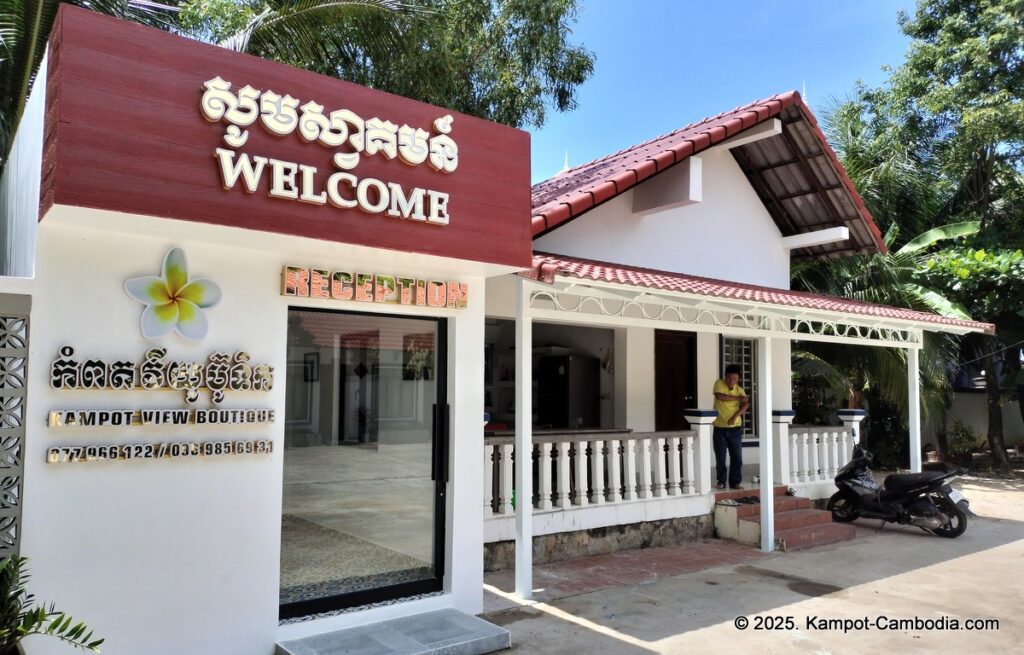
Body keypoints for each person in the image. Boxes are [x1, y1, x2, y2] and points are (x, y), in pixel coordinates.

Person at [712, 364, 750, 490]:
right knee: (720, 458)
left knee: (737, 458)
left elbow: (746, 405)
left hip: (735, 429)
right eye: (728, 378)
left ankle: (735, 482)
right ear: (725, 377)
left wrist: (735, 416)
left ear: (738, 379)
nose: (731, 381)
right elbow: (720, 396)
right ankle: (721, 481)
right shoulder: (719, 383)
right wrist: (738, 399)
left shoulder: (739, 389)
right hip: (719, 428)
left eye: (734, 378)